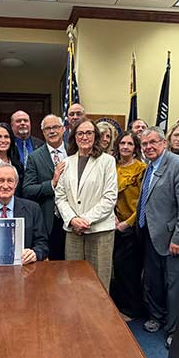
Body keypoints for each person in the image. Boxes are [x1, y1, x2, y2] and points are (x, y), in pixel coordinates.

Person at [138, 127, 179, 348]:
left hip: (177, 239)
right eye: (145, 144)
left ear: (164, 143)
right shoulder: (150, 166)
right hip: (154, 235)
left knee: (178, 287)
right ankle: (158, 317)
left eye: (153, 142)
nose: (149, 147)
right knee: (154, 280)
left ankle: (177, 331)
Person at [55, 119, 118, 287]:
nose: (84, 137)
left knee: (98, 283)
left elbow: (110, 197)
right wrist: (73, 220)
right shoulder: (67, 162)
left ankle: (99, 315)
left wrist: (85, 220)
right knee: (74, 281)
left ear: (95, 136)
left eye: (89, 133)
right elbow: (60, 196)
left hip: (99, 231)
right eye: (80, 133)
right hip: (72, 231)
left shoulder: (107, 161)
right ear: (74, 137)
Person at [109, 131, 146, 318]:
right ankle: (120, 306)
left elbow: (143, 202)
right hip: (113, 224)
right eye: (122, 143)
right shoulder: (111, 167)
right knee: (117, 269)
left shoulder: (141, 168)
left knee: (130, 270)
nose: (125, 147)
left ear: (135, 148)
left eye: (130, 144)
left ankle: (133, 310)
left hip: (132, 226)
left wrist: (127, 223)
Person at [23, 114, 67, 260]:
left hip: (73, 219)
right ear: (43, 132)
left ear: (63, 129)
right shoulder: (35, 157)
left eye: (55, 127)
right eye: (48, 128)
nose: (52, 131)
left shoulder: (74, 151)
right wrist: (51, 184)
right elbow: (27, 190)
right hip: (49, 220)